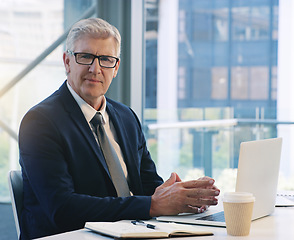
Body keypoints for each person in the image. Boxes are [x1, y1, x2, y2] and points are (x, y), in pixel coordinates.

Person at [18, 18, 220, 240]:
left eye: (106, 59)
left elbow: (148, 187)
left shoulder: (126, 117)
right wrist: (153, 205)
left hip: (134, 233)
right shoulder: (40, 122)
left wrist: (182, 196)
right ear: (67, 62)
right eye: (85, 57)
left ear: (116, 68)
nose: (95, 69)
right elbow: (62, 208)